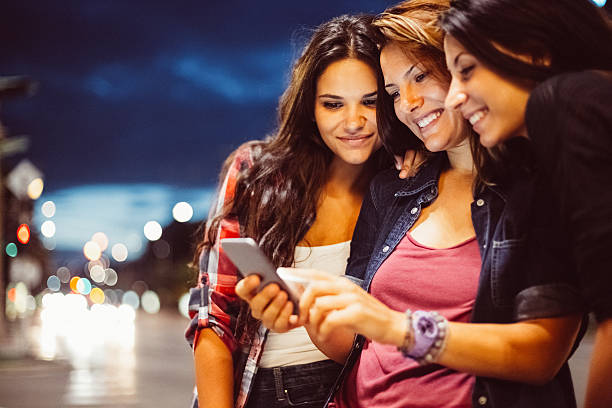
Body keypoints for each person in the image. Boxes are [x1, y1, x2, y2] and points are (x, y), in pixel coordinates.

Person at [238, 1, 585, 407]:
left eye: (420, 75)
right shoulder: (392, 189)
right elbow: (354, 343)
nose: (408, 103)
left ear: (462, 66)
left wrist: (394, 326)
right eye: (393, 93)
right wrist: (310, 311)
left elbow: (540, 354)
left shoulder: (536, 186)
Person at [184, 14, 396, 408]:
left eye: (371, 102)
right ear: (309, 108)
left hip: (351, 391)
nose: (355, 122)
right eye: (334, 104)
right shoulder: (255, 174)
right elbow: (213, 319)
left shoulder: (405, 185)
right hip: (256, 389)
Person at [440, 1, 612, 407]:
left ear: (535, 51)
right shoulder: (542, 161)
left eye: (466, 69)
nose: (452, 97)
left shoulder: (564, 100)